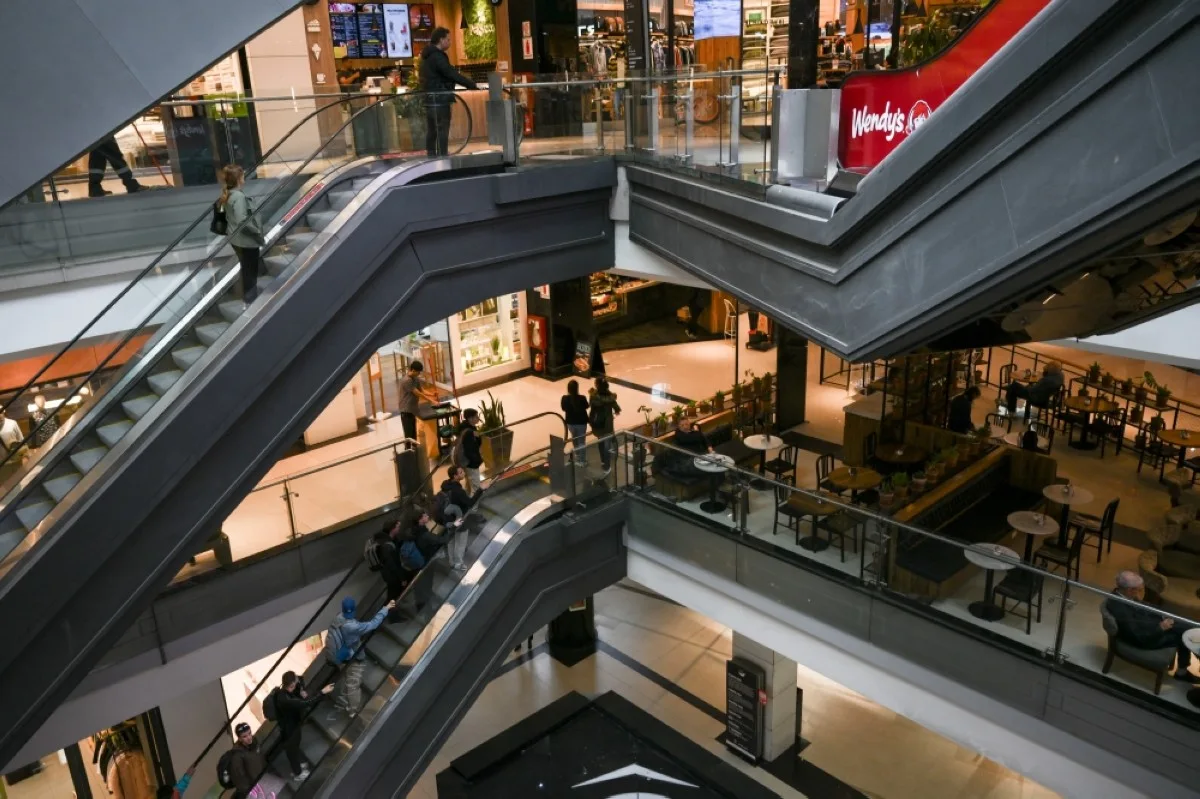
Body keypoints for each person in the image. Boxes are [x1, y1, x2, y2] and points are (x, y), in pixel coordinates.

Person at [1106, 571, 1198, 684]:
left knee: (1187, 624)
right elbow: (1138, 636)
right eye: (1139, 589)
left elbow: (1142, 606)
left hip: (1149, 626)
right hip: (1147, 638)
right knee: (1184, 635)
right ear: (1129, 590)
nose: (1140, 592)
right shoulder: (1119, 608)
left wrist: (1161, 613)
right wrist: (1160, 628)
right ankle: (1182, 672)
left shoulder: (1123, 595)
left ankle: (1182, 671)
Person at [326, 596, 394, 719]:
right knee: (354, 684)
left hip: (339, 657)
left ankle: (347, 702)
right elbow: (373, 624)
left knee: (347, 678)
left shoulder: (338, 618)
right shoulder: (352, 626)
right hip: (352, 658)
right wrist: (386, 609)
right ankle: (353, 710)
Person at [418, 27, 478, 156]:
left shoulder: (426, 56)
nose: (450, 42)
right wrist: (471, 84)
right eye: (448, 39)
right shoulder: (437, 56)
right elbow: (451, 74)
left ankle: (431, 156)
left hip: (429, 99)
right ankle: (442, 157)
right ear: (441, 40)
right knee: (442, 129)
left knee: (432, 129)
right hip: (440, 98)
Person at [273, 671, 333, 783]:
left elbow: (300, 681)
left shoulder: (283, 692)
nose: (298, 680)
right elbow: (306, 703)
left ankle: (301, 763)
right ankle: (298, 773)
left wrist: (300, 690)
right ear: (291, 685)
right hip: (289, 729)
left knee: (294, 745)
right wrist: (322, 692)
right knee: (291, 750)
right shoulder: (286, 700)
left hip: (291, 724)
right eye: (295, 680)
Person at [218, 164, 265, 303]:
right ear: (238, 179)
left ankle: (248, 297)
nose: (244, 178)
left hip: (236, 239)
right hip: (246, 240)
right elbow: (242, 220)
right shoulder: (238, 196)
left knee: (246, 268)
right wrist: (256, 231)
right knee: (251, 270)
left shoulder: (228, 194)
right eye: (243, 176)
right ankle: (251, 298)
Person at [436, 465, 478, 570]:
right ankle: (458, 563)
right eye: (460, 472)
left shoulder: (446, 485)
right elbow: (470, 503)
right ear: (455, 476)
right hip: (459, 519)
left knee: (451, 541)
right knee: (461, 541)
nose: (463, 473)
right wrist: (481, 490)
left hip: (448, 518)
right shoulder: (458, 491)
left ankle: (451, 562)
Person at [398, 361, 440, 444]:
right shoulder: (407, 381)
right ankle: (409, 453)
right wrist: (432, 401)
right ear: (413, 370)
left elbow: (422, 390)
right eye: (418, 372)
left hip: (413, 409)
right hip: (406, 410)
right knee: (409, 436)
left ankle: (415, 451)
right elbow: (418, 393)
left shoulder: (415, 378)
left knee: (414, 435)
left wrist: (432, 394)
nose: (419, 374)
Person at [588, 377, 621, 473]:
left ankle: (603, 461)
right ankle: (607, 465)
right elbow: (616, 406)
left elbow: (591, 405)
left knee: (601, 442)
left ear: (597, 386)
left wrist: (592, 393)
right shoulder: (610, 397)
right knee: (607, 444)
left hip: (597, 423)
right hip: (608, 424)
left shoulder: (593, 396)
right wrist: (616, 410)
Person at [228, 722, 268, 799]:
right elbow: (240, 778)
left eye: (249, 733)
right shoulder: (237, 756)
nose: (249, 737)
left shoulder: (255, 743)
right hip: (254, 788)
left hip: (263, 779)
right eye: (244, 736)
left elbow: (261, 759)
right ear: (239, 739)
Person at [561, 380, 590, 466]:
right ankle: (582, 460)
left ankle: (577, 454)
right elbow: (587, 406)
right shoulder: (582, 398)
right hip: (581, 423)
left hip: (570, 423)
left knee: (574, 438)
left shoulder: (564, 398)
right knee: (582, 441)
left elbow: (563, 408)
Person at [456, 408, 484, 493]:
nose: (478, 418)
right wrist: (477, 460)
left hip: (465, 462)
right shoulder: (469, 432)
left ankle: (467, 500)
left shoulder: (466, 428)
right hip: (471, 464)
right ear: (470, 418)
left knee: (469, 484)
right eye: (476, 417)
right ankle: (474, 505)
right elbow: (469, 450)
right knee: (476, 488)